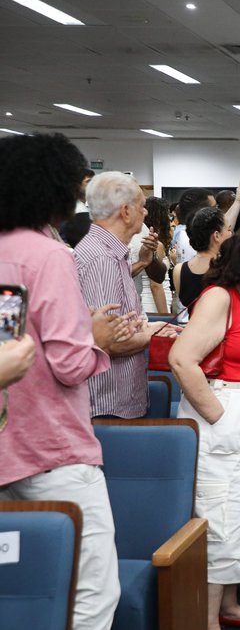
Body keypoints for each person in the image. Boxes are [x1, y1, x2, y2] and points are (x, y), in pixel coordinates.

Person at [0, 133, 136, 630]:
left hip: (9, 446)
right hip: (55, 448)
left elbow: (8, 341)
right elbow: (69, 364)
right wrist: (95, 336)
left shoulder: (6, 252)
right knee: (94, 589)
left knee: (29, 589)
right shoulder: (49, 254)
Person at [169, 226, 240, 630]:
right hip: (225, 407)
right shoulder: (218, 298)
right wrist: (220, 417)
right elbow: (182, 361)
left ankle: (228, 604)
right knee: (219, 514)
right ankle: (205, 618)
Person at [76, 171, 167, 418]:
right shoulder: (102, 258)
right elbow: (111, 341)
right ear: (126, 212)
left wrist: (150, 328)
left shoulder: (110, 253)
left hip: (115, 401)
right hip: (108, 405)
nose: (146, 213)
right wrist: (153, 334)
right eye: (142, 206)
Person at [172, 207, 232, 320]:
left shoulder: (179, 271)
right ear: (216, 236)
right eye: (228, 230)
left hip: (194, 334)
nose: (231, 234)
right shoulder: (231, 269)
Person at [140, 195, 174, 313]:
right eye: (166, 213)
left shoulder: (146, 239)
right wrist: (164, 314)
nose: (169, 217)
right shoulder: (156, 245)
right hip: (154, 302)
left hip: (153, 299)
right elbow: (155, 285)